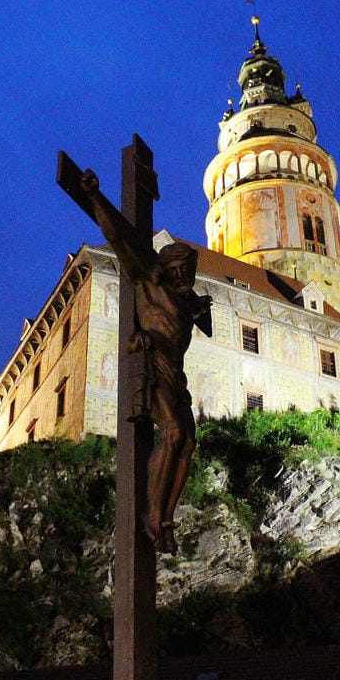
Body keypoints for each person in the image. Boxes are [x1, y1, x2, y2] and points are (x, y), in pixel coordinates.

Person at [78, 170, 211, 553]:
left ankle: (167, 517)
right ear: (167, 267)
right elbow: (118, 235)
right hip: (151, 363)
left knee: (187, 443)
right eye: (182, 269)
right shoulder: (148, 282)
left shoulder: (187, 300)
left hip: (176, 373)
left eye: (192, 270)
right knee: (171, 434)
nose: (187, 275)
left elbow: (209, 325)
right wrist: (95, 197)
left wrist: (202, 309)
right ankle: (151, 513)